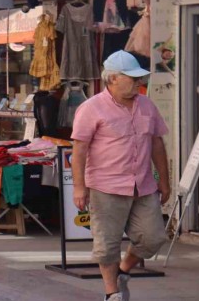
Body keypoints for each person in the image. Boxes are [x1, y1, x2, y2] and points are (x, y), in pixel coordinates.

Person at [71, 50, 170, 301]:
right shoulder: (90, 108)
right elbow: (79, 151)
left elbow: (157, 144)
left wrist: (164, 180)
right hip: (106, 186)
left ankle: (124, 270)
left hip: (144, 185)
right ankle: (111, 293)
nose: (138, 83)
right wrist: (79, 188)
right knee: (107, 245)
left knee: (153, 238)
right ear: (112, 78)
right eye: (132, 78)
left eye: (139, 78)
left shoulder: (147, 105)